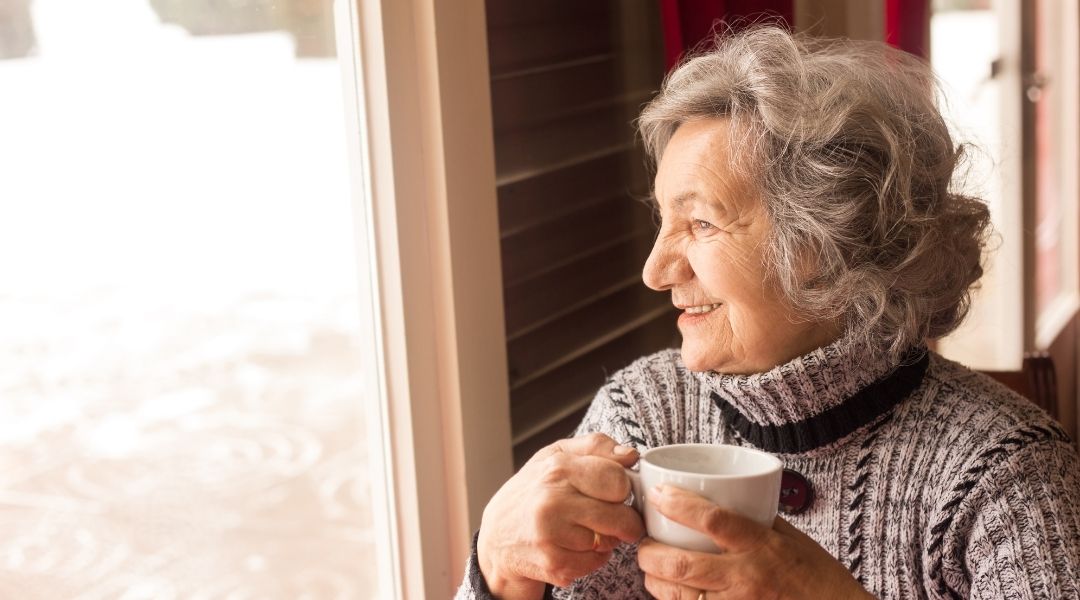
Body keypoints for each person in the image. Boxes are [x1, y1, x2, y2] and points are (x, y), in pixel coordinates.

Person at [457, 25, 1080, 599]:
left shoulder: (1004, 475)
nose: (655, 271)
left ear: (828, 243)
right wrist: (499, 569)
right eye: (662, 221)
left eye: (700, 222)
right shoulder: (642, 414)